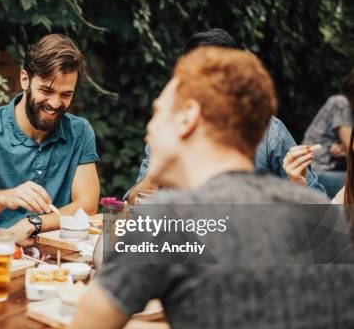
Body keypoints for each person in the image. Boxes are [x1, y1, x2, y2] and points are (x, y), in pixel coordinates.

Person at [60, 47, 354, 329]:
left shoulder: (166, 218)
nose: (150, 129)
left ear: (187, 118)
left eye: (158, 112)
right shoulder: (319, 212)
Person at [126, 29, 325, 203]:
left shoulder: (269, 131)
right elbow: (135, 204)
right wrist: (158, 172)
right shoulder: (171, 131)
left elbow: (320, 210)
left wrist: (297, 185)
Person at [0, 34, 100, 246]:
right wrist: (4, 197)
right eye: (46, 90)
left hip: (44, 262)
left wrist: (32, 223)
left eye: (66, 94)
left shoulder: (79, 132)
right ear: (25, 79)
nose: (54, 103)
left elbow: (88, 205)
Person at [303, 69, 354, 198]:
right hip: (316, 171)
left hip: (331, 169)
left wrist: (341, 148)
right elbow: (351, 146)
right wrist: (344, 148)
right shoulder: (340, 102)